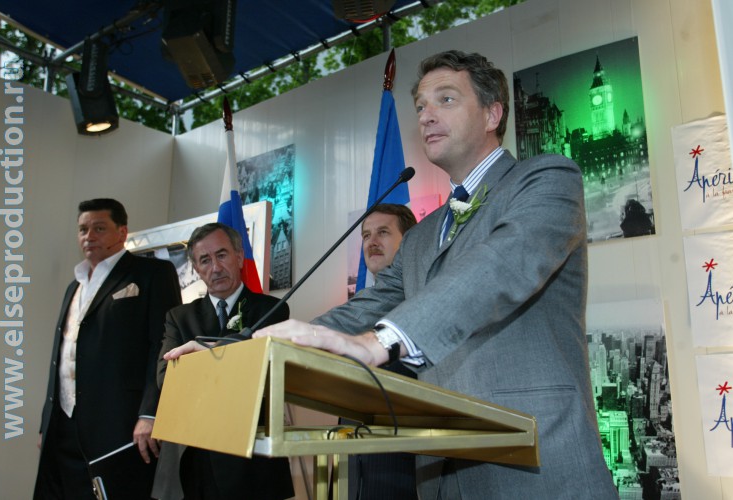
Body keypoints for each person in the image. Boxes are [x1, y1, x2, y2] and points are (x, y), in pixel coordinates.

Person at [165, 50, 618, 498]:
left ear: (492, 114)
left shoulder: (547, 179)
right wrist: (236, 349)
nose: (426, 116)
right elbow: (361, 310)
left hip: (537, 459)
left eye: (445, 99)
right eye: (420, 106)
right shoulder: (420, 237)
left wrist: (378, 342)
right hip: (443, 470)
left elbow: (501, 265)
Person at [34, 198, 182, 500]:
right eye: (83, 230)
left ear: (122, 232)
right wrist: (46, 423)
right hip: (64, 425)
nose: (89, 236)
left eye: (99, 228)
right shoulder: (73, 286)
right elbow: (62, 355)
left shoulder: (152, 273)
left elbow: (163, 346)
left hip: (121, 425)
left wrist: (150, 414)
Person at [153, 223, 294, 500]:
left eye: (221, 255)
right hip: (197, 460)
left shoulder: (271, 309)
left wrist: (201, 357)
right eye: (205, 260)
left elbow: (261, 372)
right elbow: (166, 378)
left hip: (254, 460)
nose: (215, 267)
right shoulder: (179, 317)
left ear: (239, 257)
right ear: (196, 268)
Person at [350, 203, 418, 500]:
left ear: (410, 240)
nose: (372, 242)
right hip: (355, 462)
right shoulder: (356, 307)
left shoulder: (421, 301)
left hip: (405, 462)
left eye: (383, 233)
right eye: (366, 235)